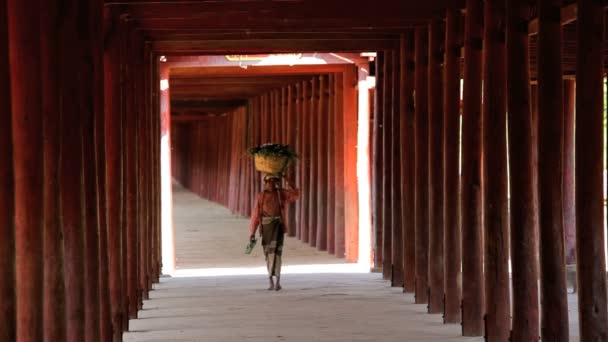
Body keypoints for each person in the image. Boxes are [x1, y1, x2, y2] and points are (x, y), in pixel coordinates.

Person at [249, 174, 299, 291]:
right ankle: (270, 281)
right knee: (268, 254)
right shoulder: (260, 197)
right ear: (265, 183)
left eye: (274, 182)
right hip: (266, 228)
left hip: (278, 227)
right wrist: (252, 232)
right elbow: (256, 215)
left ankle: (278, 282)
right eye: (269, 182)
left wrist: (287, 178)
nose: (272, 184)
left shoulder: (281, 194)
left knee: (277, 254)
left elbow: (296, 194)